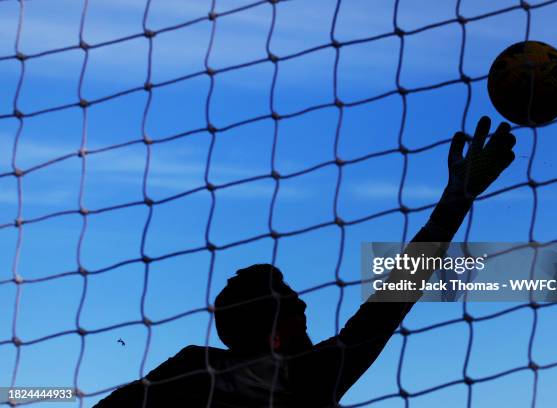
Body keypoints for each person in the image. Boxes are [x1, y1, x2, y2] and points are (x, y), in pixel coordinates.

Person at [94, 116, 515, 407]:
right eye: (296, 306)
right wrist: (456, 201)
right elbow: (391, 302)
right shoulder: (311, 377)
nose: (306, 307)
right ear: (276, 332)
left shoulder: (188, 370)